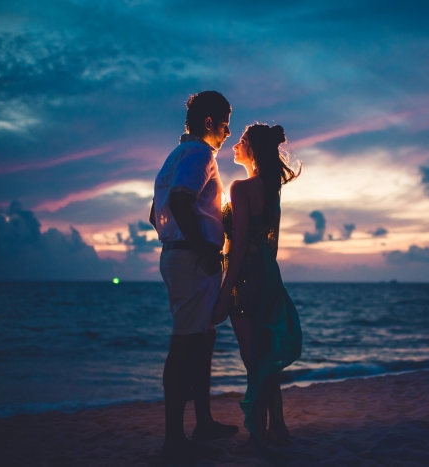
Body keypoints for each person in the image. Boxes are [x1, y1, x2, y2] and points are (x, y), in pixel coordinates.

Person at [149, 91, 239, 461]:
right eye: (225, 122)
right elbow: (183, 200)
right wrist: (201, 249)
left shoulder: (174, 156)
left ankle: (202, 422)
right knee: (185, 343)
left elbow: (155, 214)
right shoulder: (200, 154)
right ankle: (174, 439)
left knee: (202, 338)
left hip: (179, 257)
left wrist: (175, 243)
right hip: (192, 260)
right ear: (209, 123)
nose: (229, 130)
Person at [211, 123, 303, 451]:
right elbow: (269, 243)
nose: (236, 144)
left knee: (253, 358)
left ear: (253, 150)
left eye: (243, 141)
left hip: (245, 275)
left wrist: (224, 293)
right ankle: (277, 428)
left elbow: (238, 246)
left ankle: (259, 434)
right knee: (263, 358)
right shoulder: (272, 188)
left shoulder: (241, 188)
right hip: (268, 274)